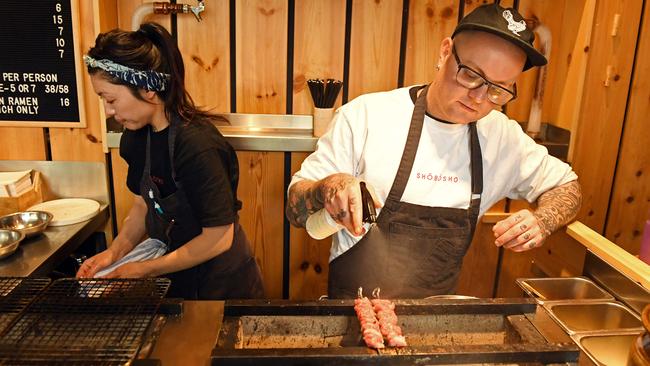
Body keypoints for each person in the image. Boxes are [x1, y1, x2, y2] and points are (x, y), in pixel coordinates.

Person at [286, 2, 582, 299]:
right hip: (353, 311)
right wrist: (329, 188)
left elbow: (567, 186)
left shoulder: (501, 136)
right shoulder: (367, 115)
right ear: (444, 53)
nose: (479, 98)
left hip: (437, 321)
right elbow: (294, 208)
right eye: (471, 75)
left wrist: (544, 220)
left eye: (498, 90)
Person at [76, 22, 264, 300]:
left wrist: (144, 270)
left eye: (110, 99)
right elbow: (143, 203)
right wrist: (114, 252)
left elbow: (219, 237)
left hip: (223, 283)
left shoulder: (197, 145)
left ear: (148, 88)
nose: (107, 111)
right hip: (176, 275)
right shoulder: (135, 137)